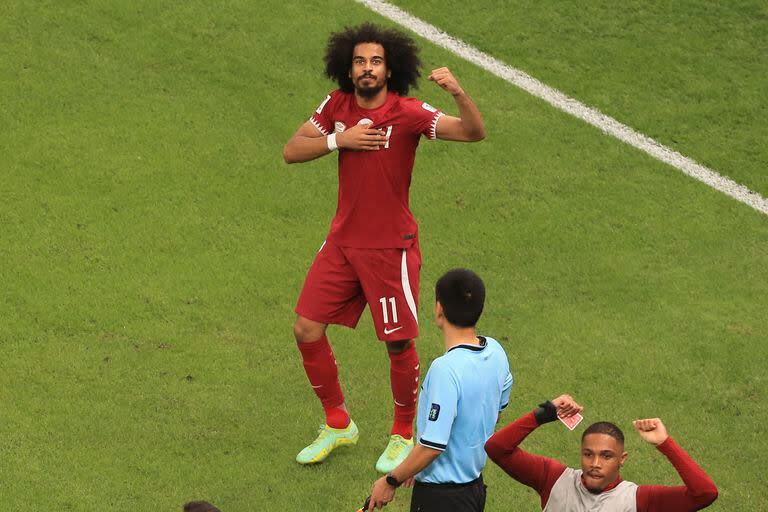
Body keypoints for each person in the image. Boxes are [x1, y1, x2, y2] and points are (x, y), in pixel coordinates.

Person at [283, 22, 486, 473]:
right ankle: (338, 424)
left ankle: (401, 433)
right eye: (359, 62)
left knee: (397, 344)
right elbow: (292, 150)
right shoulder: (336, 106)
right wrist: (340, 139)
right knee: (306, 328)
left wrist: (458, 92)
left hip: (389, 250)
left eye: (375, 61)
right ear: (348, 68)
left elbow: (473, 132)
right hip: (342, 243)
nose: (367, 69)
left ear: (389, 68)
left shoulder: (408, 112)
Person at [366, 269, 513, 511]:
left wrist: (390, 481)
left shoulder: (445, 370)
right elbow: (495, 411)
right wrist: (418, 464)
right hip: (474, 490)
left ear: (438, 309)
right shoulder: (496, 352)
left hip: (441, 500)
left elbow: (432, 447)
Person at [485, 394, 718, 511]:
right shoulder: (553, 478)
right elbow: (497, 448)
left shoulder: (638, 500)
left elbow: (704, 493)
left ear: (621, 460)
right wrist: (542, 415)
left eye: (606, 456)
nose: (595, 463)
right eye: (588, 454)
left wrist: (665, 443)